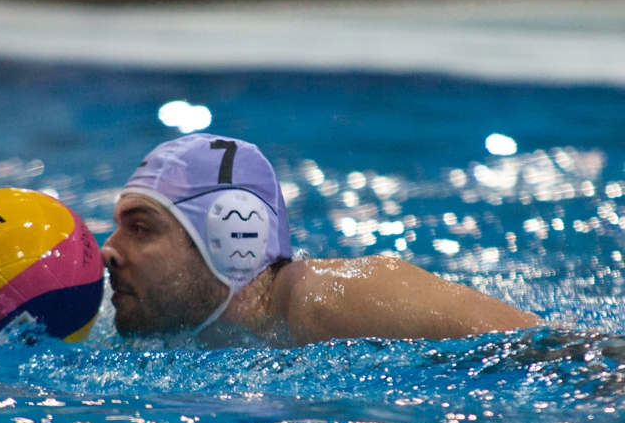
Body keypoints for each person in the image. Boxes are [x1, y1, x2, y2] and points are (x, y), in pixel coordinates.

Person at [100, 133, 542, 346]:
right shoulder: (187, 330)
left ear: (234, 238)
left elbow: (558, 349)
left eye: (141, 227)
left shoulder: (334, 296)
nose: (108, 249)